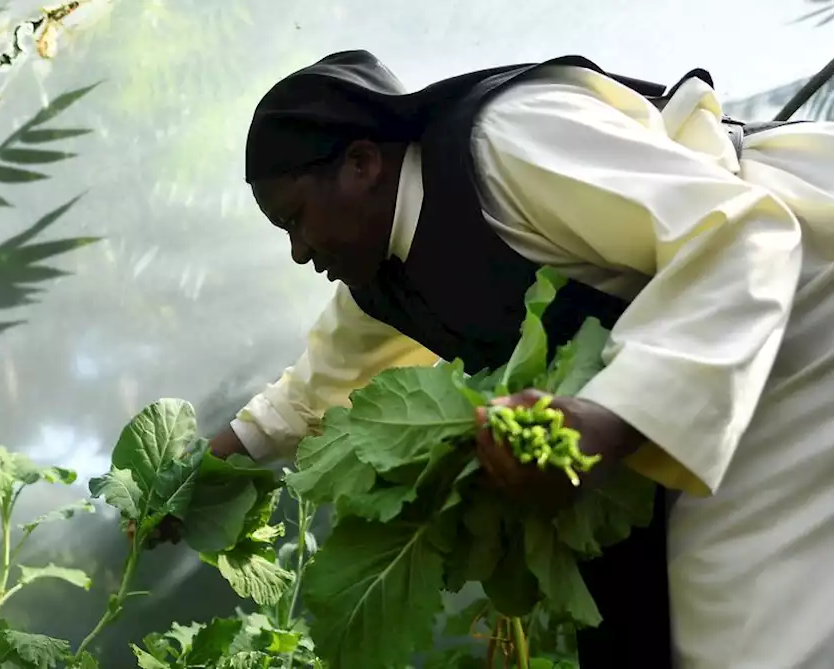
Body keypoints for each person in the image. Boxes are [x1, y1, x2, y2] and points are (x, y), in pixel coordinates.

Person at [204, 50, 835, 669]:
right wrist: (192, 484)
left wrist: (607, 420)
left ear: (363, 163)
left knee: (745, 626)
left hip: (796, 273)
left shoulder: (503, 141)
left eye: (296, 219)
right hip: (727, 337)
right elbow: (306, 397)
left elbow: (739, 232)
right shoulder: (381, 282)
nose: (297, 251)